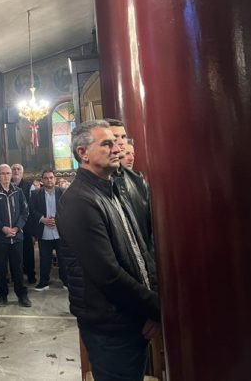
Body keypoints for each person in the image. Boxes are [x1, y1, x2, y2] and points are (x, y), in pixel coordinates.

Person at [57, 120, 161, 381]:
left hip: (131, 315)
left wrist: (150, 304)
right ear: (83, 153)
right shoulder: (78, 200)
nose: (117, 148)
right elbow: (108, 274)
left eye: (116, 142)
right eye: (106, 144)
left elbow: (139, 251)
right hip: (110, 325)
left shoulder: (112, 188)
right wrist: (156, 307)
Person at [0, 164, 31, 307]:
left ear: (11, 175)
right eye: (3, 173)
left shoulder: (18, 192)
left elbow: (25, 212)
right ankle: (2, 295)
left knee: (18, 268)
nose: (5, 176)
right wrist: (3, 228)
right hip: (1, 238)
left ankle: (22, 295)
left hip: (17, 237)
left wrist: (17, 228)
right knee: (1, 268)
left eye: (8, 173)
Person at [106, 119, 153, 252]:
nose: (121, 142)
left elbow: (150, 225)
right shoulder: (97, 183)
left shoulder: (137, 180)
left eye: (123, 137)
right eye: (115, 137)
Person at [28, 170, 68, 291]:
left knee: (63, 258)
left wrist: (58, 219)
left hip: (60, 231)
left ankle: (66, 281)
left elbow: (68, 209)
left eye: (51, 177)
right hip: (44, 230)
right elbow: (32, 210)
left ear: (55, 179)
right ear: (42, 180)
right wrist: (43, 219)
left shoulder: (63, 192)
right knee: (44, 259)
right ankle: (44, 282)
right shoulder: (35, 194)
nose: (49, 180)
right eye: (46, 178)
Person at [11, 163, 36, 284]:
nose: (16, 171)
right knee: (14, 252)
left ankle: (30, 274)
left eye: (18, 169)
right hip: (11, 225)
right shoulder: (7, 185)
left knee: (28, 251)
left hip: (26, 225)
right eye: (14, 169)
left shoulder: (29, 186)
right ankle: (16, 276)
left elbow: (32, 207)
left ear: (22, 172)